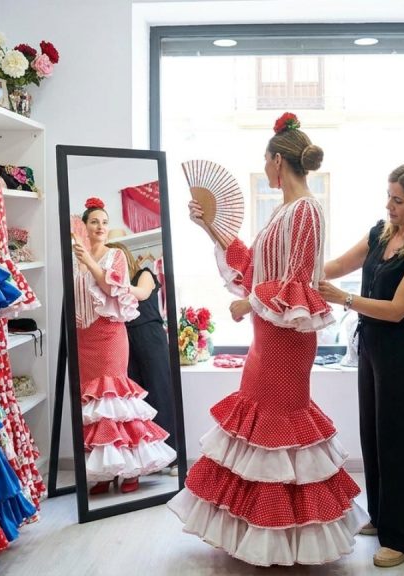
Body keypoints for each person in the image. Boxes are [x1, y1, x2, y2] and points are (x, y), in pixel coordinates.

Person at [168, 112, 367, 567]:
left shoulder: (306, 211)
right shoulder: (284, 211)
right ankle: (259, 531)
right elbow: (256, 267)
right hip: (269, 334)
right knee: (259, 425)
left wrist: (248, 303)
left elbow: (296, 282)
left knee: (276, 426)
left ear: (278, 161)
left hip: (286, 338)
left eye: (266, 160)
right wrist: (210, 226)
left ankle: (281, 535)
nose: (266, 166)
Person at [319, 161, 404, 568]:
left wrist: (342, 299)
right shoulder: (381, 232)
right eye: (388, 197)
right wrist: (296, 271)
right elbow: (338, 265)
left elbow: (396, 310)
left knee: (400, 442)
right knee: (373, 436)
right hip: (372, 348)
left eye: (399, 200)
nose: (389, 205)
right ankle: (381, 516)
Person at [71, 199, 176, 495]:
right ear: (85, 226)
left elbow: (108, 287)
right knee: (94, 406)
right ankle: (105, 469)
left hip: (110, 334)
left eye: (104, 222)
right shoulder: (74, 260)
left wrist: (89, 262)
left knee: (114, 400)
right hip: (84, 336)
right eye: (94, 221)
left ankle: (130, 468)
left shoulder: (115, 256)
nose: (101, 227)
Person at [110, 242, 179, 474]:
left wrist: (110, 282)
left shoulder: (144, 274)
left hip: (150, 334)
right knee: (138, 401)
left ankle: (174, 455)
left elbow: (142, 293)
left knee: (160, 391)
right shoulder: (110, 287)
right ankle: (152, 457)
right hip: (124, 337)